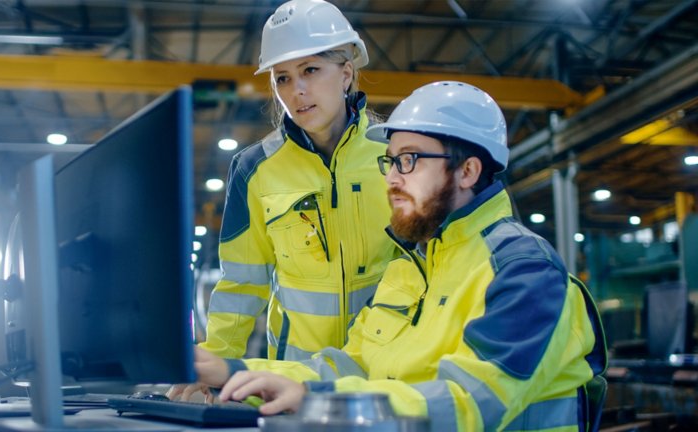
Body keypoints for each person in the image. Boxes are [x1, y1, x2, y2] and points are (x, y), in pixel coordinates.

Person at [189, 81, 608, 431]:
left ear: (468, 171)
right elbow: (348, 366)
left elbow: (467, 403)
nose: (390, 178)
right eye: (389, 163)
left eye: (408, 161)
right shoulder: (409, 270)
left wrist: (316, 400)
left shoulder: (524, 273)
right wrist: (229, 371)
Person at [171, 0, 397, 402]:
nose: (297, 91)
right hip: (295, 378)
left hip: (388, 372)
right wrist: (214, 367)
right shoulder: (255, 169)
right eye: (283, 78)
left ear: (346, 73)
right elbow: (243, 282)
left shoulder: (396, 155)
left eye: (310, 70)